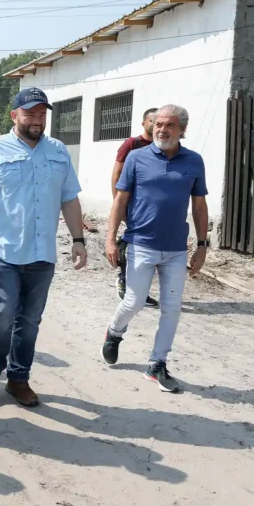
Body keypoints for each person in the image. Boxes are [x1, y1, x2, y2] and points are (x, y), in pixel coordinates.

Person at [0, 87, 87, 407]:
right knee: (3, 310)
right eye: (30, 113)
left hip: (43, 252)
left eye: (42, 114)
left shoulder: (58, 151)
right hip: (2, 248)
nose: (37, 119)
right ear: (14, 115)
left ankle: (18, 378)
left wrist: (78, 239)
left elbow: (69, 198)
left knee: (30, 319)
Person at [101, 104, 208, 393]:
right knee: (134, 301)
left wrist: (202, 244)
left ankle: (156, 364)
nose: (162, 129)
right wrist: (111, 238)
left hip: (176, 249)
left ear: (182, 129)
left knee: (171, 308)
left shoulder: (194, 161)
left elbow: (199, 205)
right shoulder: (137, 157)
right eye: (158, 124)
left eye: (169, 125)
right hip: (141, 244)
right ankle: (114, 332)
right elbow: (120, 200)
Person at [112, 108, 159, 307]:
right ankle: (124, 280)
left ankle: (142, 290)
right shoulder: (132, 144)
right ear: (144, 123)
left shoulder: (164, 146)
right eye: (152, 121)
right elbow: (117, 175)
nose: (156, 125)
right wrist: (119, 205)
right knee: (130, 244)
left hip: (152, 208)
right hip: (132, 204)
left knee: (151, 249)